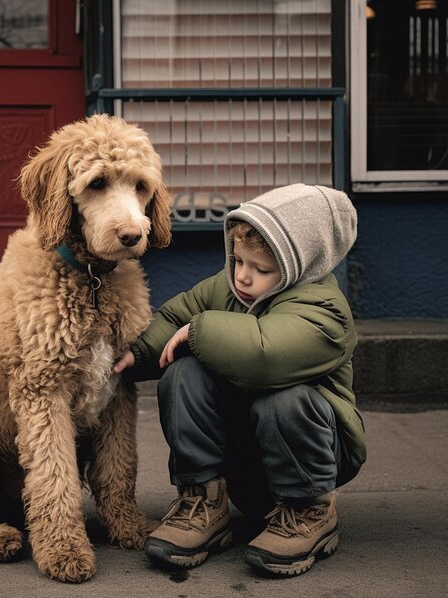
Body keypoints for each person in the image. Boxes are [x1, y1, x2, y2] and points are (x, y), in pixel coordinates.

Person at [114, 183, 366, 577]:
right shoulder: (230, 285)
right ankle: (204, 498)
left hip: (310, 455)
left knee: (285, 398)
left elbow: (264, 353)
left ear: (302, 266)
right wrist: (140, 352)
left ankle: (309, 511)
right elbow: (179, 313)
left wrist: (199, 330)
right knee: (184, 373)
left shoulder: (325, 310)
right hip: (242, 461)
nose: (243, 277)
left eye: (261, 269)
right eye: (238, 261)